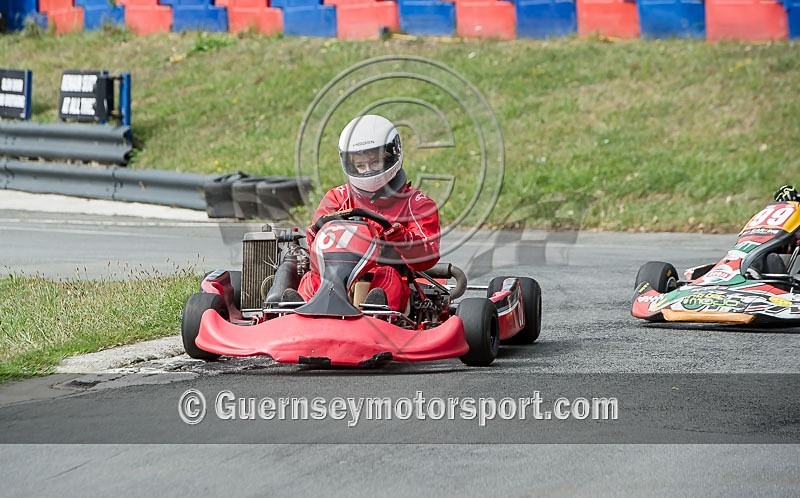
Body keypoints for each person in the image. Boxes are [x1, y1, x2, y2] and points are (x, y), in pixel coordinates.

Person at [293, 114, 441, 311]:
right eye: (361, 166)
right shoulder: (338, 198)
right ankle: (297, 312)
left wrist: (402, 238)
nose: (367, 171)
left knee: (387, 274)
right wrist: (314, 237)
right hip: (336, 277)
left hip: (386, 279)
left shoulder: (416, 203)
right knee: (312, 278)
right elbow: (318, 248)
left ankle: (376, 313)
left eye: (374, 163)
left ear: (392, 156)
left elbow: (428, 256)